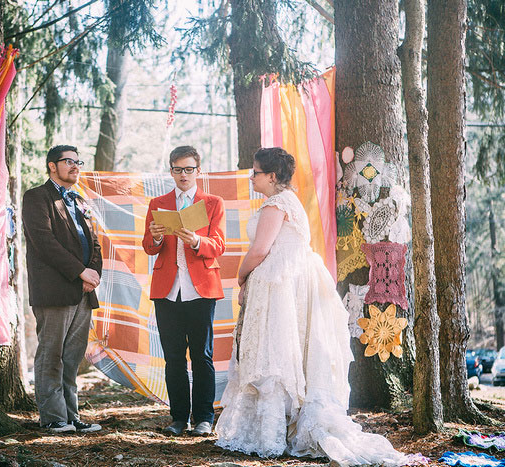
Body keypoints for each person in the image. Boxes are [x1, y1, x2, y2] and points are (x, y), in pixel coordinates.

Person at [215, 147, 406, 466]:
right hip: (290, 282)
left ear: (271, 177)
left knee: (273, 355)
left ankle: (271, 433)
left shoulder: (276, 204)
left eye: (256, 172)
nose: (252, 177)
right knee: (284, 354)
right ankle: (278, 427)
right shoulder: (289, 203)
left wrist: (240, 276)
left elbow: (260, 249)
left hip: (278, 285)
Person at [142, 146, 226, 436]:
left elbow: (218, 246)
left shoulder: (213, 203)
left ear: (198, 171)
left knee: (202, 356)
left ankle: (204, 418)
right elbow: (148, 247)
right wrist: (154, 238)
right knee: (173, 358)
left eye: (189, 169)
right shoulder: (158, 203)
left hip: (201, 289)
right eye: (177, 169)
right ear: (171, 171)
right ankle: (178, 418)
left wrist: (195, 241)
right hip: (167, 291)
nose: (183, 174)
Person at [23, 145, 103, 434]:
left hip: (83, 291)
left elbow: (94, 242)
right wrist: (79, 271)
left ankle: (71, 415)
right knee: (51, 354)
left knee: (71, 357)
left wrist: (92, 275)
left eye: (77, 161)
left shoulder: (80, 200)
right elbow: (44, 242)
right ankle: (53, 417)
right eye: (68, 161)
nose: (75, 166)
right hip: (54, 290)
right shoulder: (36, 197)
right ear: (52, 166)